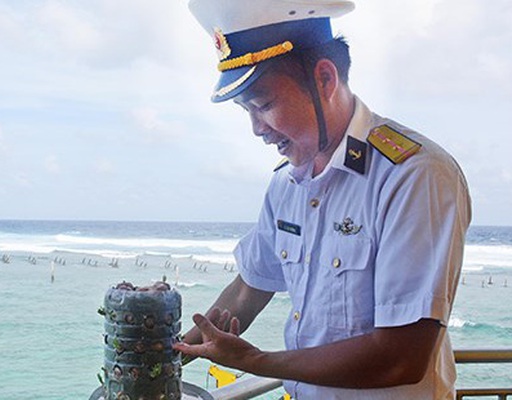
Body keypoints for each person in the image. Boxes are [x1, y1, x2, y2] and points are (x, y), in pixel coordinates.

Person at [173, 0, 472, 399]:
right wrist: (166, 355)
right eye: (246, 111)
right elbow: (248, 289)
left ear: (325, 80)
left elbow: (402, 356)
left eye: (264, 106)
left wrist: (256, 362)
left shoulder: (414, 175)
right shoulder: (286, 186)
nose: (257, 130)